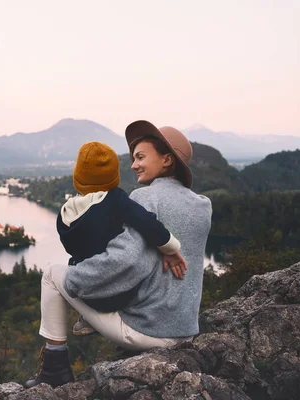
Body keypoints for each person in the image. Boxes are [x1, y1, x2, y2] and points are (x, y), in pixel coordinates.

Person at [25, 121, 212, 389]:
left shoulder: (145, 199)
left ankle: (54, 370)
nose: (134, 164)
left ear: (166, 159)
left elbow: (126, 262)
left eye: (140, 157)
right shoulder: (203, 206)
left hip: (147, 330)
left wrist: (76, 282)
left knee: (53, 274)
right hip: (186, 330)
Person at [57, 141, 188, 336]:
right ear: (112, 175)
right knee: (143, 253)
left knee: (69, 265)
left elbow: (71, 248)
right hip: (119, 295)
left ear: (78, 176)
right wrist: (169, 247)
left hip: (87, 291)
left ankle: (78, 325)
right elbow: (145, 221)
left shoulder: (64, 214)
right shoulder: (114, 199)